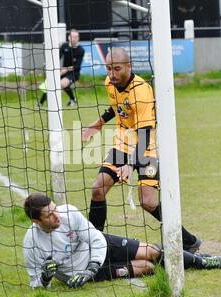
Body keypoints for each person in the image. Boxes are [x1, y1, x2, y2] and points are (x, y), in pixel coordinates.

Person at [81, 48, 201, 253]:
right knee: (98, 188)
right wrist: (97, 124)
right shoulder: (110, 83)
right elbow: (117, 107)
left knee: (148, 201)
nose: (112, 74)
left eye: (117, 68)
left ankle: (189, 241)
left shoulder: (142, 91)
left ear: (129, 66)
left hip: (147, 146)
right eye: (108, 68)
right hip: (123, 143)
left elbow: (145, 132)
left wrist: (130, 164)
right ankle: (96, 245)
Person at [23, 193, 221, 289]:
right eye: (49, 215)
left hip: (100, 250)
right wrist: (45, 278)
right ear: (36, 221)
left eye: (54, 209)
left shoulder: (68, 212)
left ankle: (201, 262)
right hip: (84, 274)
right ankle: (182, 259)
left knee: (151, 251)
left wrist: (92, 266)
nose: (56, 216)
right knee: (148, 267)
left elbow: (96, 239)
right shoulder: (31, 243)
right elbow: (36, 285)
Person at [36, 29, 85, 109]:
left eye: (76, 37)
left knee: (62, 83)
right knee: (50, 83)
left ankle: (72, 99)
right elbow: (57, 58)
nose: (74, 38)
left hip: (74, 73)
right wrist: (55, 69)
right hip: (62, 71)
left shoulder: (81, 50)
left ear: (78, 38)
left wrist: (64, 70)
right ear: (69, 37)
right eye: (72, 36)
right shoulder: (64, 46)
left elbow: (77, 66)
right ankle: (40, 103)